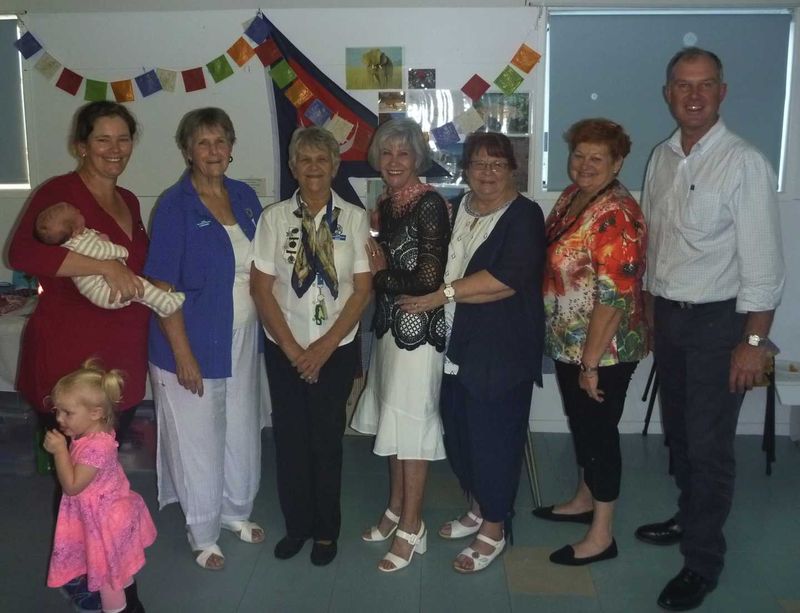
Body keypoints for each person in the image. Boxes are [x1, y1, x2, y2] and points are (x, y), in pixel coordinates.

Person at [638, 47, 784, 611]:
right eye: (682, 85)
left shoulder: (744, 163)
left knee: (709, 445)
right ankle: (688, 514)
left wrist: (751, 343)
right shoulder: (662, 157)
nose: (693, 95)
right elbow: (656, 245)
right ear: (668, 93)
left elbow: (765, 267)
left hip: (721, 323)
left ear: (722, 92)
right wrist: (650, 313)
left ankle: (703, 562)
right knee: (679, 435)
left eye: (705, 85)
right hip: (671, 319)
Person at [398, 132, 545, 573]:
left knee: (495, 441)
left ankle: (495, 527)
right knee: (461, 436)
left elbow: (504, 280)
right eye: (479, 163)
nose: (487, 173)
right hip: (456, 343)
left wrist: (440, 295)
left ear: (512, 169)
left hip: (501, 352)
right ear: (466, 168)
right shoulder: (459, 207)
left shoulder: (525, 215)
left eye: (497, 165)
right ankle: (479, 507)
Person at [145, 107, 265, 571]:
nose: (213, 151)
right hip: (190, 340)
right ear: (187, 151)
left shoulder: (245, 196)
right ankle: (203, 532)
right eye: (203, 143)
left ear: (231, 147)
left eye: (221, 141)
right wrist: (182, 355)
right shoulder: (175, 206)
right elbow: (162, 288)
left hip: (241, 334)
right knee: (199, 439)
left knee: (240, 427)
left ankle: (236, 511)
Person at [251, 126, 371, 567]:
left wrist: (322, 349)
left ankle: (326, 530)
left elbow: (361, 292)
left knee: (325, 441)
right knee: (290, 440)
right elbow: (263, 290)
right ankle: (297, 526)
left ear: (335, 166)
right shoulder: (274, 219)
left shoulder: (355, 219)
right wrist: (292, 349)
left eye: (323, 159)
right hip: (284, 348)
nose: (314, 167)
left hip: (334, 350)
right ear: (293, 167)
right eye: (305, 160)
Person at [533, 118, 647, 566]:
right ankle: (583, 499)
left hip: (605, 350)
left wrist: (591, 364)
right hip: (569, 341)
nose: (584, 164)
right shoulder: (571, 198)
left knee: (599, 435)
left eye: (597, 158)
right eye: (579, 154)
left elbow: (615, 296)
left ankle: (602, 534)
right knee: (583, 427)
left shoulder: (616, 213)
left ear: (618, 163)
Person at [8, 101, 149, 440]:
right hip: (72, 360)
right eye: (103, 140)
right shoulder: (60, 193)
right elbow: (21, 254)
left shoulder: (129, 200)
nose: (115, 150)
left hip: (123, 355)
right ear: (81, 147)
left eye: (123, 139)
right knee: (78, 474)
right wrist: (104, 266)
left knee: (106, 468)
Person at [350, 119, 451, 572]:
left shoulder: (429, 204)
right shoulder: (388, 205)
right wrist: (383, 275)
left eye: (403, 154)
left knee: (412, 431)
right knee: (393, 420)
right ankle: (394, 509)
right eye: (387, 153)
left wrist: (377, 274)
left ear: (417, 159)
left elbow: (429, 277)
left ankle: (413, 527)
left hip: (420, 333)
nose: (393, 162)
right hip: (391, 327)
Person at [44, 359, 156, 613]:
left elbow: (72, 486)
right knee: (118, 570)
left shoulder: (96, 447)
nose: (59, 418)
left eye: (67, 413)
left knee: (107, 577)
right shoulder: (93, 432)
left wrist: (60, 452)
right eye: (57, 411)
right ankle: (133, 603)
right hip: (104, 514)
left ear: (95, 413)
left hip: (104, 522)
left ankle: (118, 610)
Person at [34, 201, 185, 317]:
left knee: (141, 296)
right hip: (104, 291)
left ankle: (161, 308)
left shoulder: (76, 238)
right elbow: (102, 252)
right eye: (76, 213)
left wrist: (100, 237)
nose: (79, 210)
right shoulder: (79, 243)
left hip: (104, 291)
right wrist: (122, 251)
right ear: (75, 229)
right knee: (141, 286)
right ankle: (166, 303)